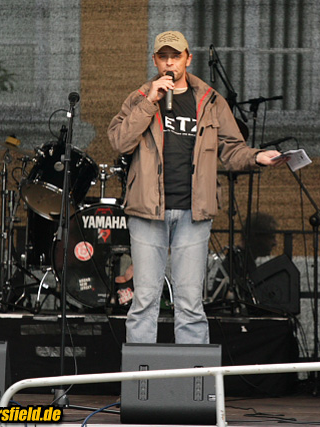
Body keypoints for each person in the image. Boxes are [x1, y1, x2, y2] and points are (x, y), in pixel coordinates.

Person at [107, 31, 285, 344]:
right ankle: (139, 373)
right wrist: (149, 102)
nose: (169, 63)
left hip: (194, 213)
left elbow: (232, 148)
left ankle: (193, 374)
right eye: (163, 57)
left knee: (189, 302)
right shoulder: (139, 98)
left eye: (175, 56)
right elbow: (120, 141)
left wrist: (257, 156)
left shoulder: (211, 100)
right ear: (154, 60)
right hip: (148, 211)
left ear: (188, 59)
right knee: (144, 300)